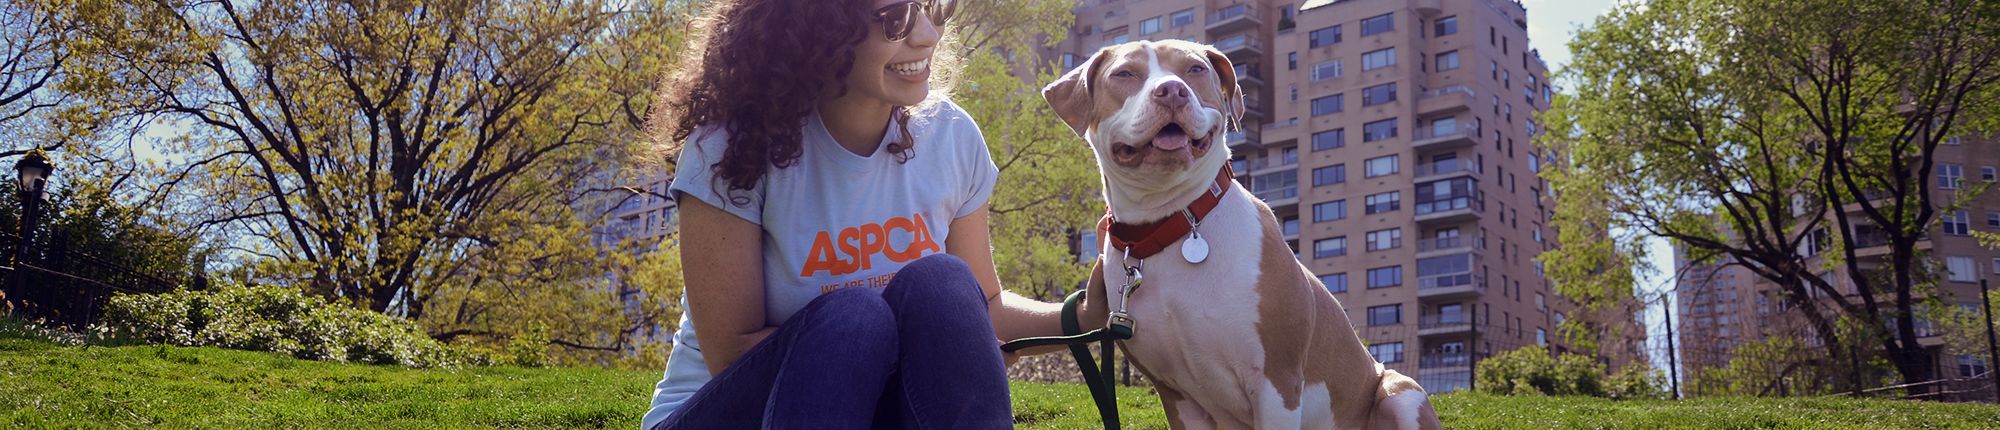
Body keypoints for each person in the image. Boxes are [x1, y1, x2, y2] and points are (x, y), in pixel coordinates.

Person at [639, 0, 1075, 428]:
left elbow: (984, 308)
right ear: (819, 27)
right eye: (897, 18)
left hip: (870, 410)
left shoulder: (950, 136)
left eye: (933, 7)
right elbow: (729, 354)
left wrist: (1087, 313)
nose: (928, 35)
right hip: (724, 411)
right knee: (854, 319)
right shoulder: (733, 146)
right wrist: (906, 347)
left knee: (945, 282)